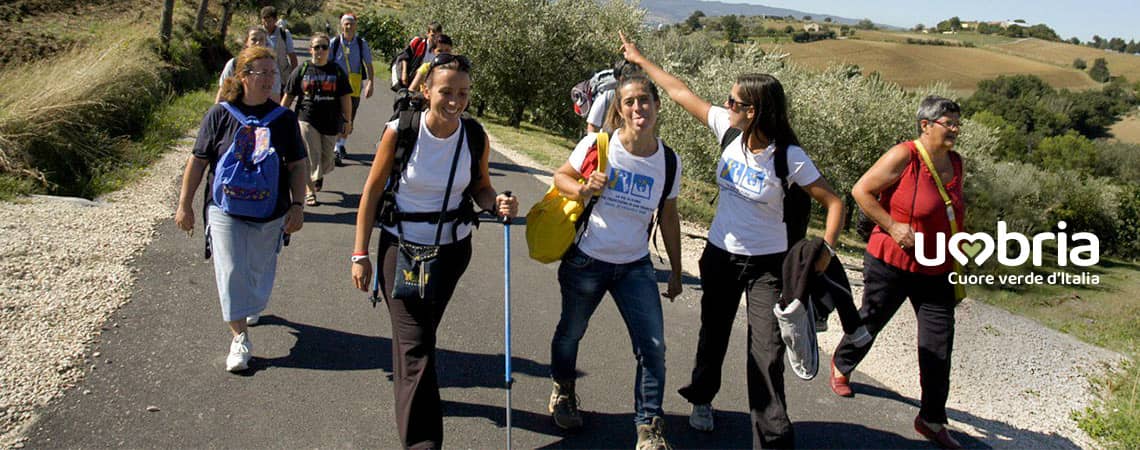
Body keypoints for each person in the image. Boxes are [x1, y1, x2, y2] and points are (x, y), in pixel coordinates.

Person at [621, 32, 846, 448]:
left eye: (733, 102)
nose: (725, 106)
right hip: (721, 256)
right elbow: (678, 91)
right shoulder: (728, 131)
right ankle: (702, 397)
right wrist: (640, 58)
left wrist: (826, 251)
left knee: (766, 352)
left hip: (768, 266)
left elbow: (835, 202)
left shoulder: (788, 157)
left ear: (754, 111)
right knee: (714, 332)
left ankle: (773, 437)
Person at [350, 53, 519, 449]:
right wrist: (360, 254)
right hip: (402, 250)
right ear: (426, 90)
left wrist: (497, 203)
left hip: (451, 253)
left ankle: (410, 394)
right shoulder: (402, 130)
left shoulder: (474, 136)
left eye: (463, 93)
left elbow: (480, 187)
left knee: (417, 342)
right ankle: (424, 443)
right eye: (446, 91)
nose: (455, 100)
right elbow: (372, 192)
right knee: (417, 347)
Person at [546, 74, 684, 450]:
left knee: (652, 346)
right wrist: (583, 188)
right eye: (629, 103)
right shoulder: (599, 144)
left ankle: (648, 426)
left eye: (644, 100)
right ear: (619, 110)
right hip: (587, 259)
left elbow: (668, 217)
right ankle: (563, 390)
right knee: (571, 332)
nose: (638, 108)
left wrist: (675, 269)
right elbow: (561, 177)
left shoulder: (669, 161)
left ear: (657, 105)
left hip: (635, 266)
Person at [829, 96, 966, 450]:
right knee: (871, 321)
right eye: (948, 123)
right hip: (891, 261)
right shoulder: (904, 155)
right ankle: (842, 364)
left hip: (936, 267)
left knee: (939, 343)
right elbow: (862, 191)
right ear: (926, 125)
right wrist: (892, 226)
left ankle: (931, 419)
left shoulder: (957, 164)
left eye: (956, 123)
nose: (955, 129)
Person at [175, 46, 308, 373]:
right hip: (225, 208)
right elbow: (198, 161)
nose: (270, 80)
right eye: (263, 73)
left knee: (258, 271)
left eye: (273, 74)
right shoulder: (219, 115)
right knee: (231, 269)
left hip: (271, 211)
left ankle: (247, 306)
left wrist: (298, 205)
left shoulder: (285, 119)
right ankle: (240, 339)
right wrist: (185, 205)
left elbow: (298, 164)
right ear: (243, 77)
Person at [281, 33, 354, 207]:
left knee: (327, 160)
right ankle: (309, 192)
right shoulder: (302, 69)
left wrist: (348, 120)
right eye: (316, 47)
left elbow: (345, 97)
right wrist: (279, 118)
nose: (320, 51)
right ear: (310, 50)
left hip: (330, 122)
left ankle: (317, 175)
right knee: (310, 155)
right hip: (306, 118)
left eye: (324, 47)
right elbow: (289, 95)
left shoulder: (336, 71)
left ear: (329, 50)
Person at [329, 13, 375, 164]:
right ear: (341, 26)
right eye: (346, 24)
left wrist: (370, 83)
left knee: (349, 117)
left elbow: (368, 64)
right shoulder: (334, 43)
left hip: (354, 86)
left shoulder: (362, 43)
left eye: (351, 24)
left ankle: (340, 144)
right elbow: (327, 64)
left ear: (355, 26)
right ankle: (336, 147)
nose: (348, 27)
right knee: (335, 115)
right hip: (335, 85)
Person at [215, 27, 281, 104]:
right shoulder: (233, 64)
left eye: (261, 39)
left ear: (266, 43)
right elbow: (223, 92)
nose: (258, 43)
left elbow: (275, 96)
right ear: (246, 42)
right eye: (254, 39)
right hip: (234, 111)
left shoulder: (271, 67)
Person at [586, 59, 643, 134]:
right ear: (621, 79)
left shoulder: (640, 101)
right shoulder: (607, 96)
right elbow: (592, 127)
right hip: (605, 142)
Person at [261, 6, 297, 94]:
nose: (267, 24)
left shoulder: (284, 34)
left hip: (282, 79)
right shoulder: (257, 34)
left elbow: (292, 57)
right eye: (264, 20)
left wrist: (294, 78)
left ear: (275, 20)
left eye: (269, 21)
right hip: (261, 79)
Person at [397, 21, 444, 89]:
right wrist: (404, 73)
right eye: (433, 36)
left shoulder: (440, 51)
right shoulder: (418, 43)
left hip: (426, 87)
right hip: (410, 80)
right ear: (428, 33)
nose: (435, 39)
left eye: (438, 36)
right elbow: (404, 56)